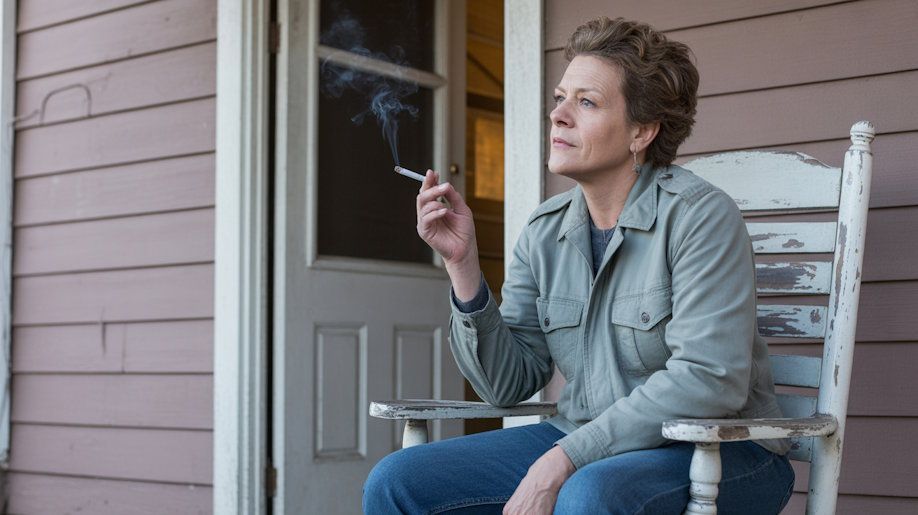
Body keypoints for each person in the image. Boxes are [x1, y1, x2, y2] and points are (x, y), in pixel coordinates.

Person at [363, 16, 794, 514]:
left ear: (642, 131)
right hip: (585, 444)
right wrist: (462, 265)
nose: (559, 116)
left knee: (588, 493)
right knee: (398, 481)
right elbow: (509, 383)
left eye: (585, 102)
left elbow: (708, 379)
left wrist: (566, 458)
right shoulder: (545, 230)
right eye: (559, 99)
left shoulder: (701, 218)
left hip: (718, 450)